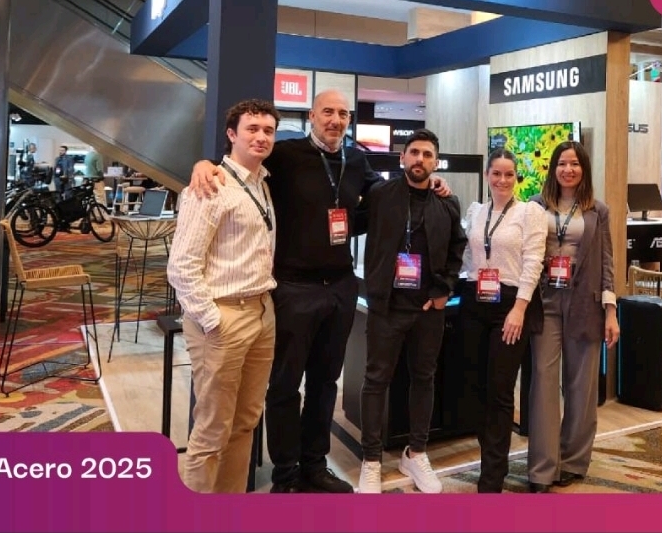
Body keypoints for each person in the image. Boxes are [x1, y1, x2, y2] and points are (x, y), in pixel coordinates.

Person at [188, 89, 451, 494]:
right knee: (284, 386)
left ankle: (314, 465)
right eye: (328, 112)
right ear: (312, 116)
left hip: (340, 288)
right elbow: (240, 162)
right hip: (293, 288)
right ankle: (285, 473)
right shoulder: (285, 154)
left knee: (326, 384)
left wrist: (433, 183)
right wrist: (203, 164)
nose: (335, 120)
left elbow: (388, 196)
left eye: (343, 114)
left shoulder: (356, 159)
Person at [166, 99, 280, 493]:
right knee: (213, 428)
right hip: (224, 316)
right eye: (252, 129)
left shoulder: (262, 183)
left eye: (268, 130)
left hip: (262, 312)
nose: (261, 136)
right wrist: (212, 320)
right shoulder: (209, 186)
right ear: (232, 134)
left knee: (246, 422)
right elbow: (181, 265)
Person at [356, 128, 467, 494]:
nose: (420, 159)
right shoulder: (380, 195)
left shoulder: (447, 202)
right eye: (414, 152)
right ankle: (371, 459)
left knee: (424, 379)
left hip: (427, 310)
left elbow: (457, 248)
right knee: (376, 381)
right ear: (402, 157)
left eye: (427, 154)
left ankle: (416, 452)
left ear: (436, 162)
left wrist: (444, 290)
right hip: (387, 307)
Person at [526, 141, 620, 493]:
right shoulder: (535, 205)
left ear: (584, 169)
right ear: (553, 168)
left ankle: (574, 461)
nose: (568, 169)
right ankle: (542, 468)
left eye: (575, 164)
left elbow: (607, 262)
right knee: (543, 382)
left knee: (581, 386)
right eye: (562, 163)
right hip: (545, 300)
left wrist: (611, 311)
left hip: (585, 303)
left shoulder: (598, 210)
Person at [456, 148, 547, 493]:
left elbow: (534, 262)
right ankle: (489, 460)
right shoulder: (476, 211)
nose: (503, 180)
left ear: (516, 177)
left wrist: (520, 308)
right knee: (477, 388)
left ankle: (492, 477)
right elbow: (470, 255)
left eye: (509, 174)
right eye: (496, 173)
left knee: (499, 389)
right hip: (475, 301)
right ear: (487, 176)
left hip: (510, 306)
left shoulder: (529, 212)